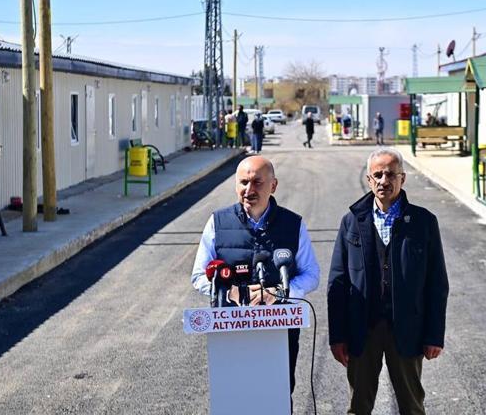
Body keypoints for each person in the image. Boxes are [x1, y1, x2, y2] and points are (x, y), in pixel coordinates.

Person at [327, 148, 449, 415]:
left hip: (407, 329)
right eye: (378, 175)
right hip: (362, 329)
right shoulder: (352, 222)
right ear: (369, 180)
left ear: (402, 179)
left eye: (391, 174)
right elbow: (338, 282)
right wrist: (337, 336)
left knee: (411, 404)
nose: (384, 180)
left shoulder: (423, 222)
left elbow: (437, 283)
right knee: (358, 405)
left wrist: (434, 335)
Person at [191, 156, 320, 394]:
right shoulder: (217, 222)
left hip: (279, 330)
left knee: (277, 394)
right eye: (243, 183)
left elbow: (311, 274)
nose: (249, 189)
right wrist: (232, 293)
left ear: (273, 185)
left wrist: (279, 293)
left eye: (257, 182)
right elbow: (199, 275)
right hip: (231, 330)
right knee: (235, 394)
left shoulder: (293, 224)